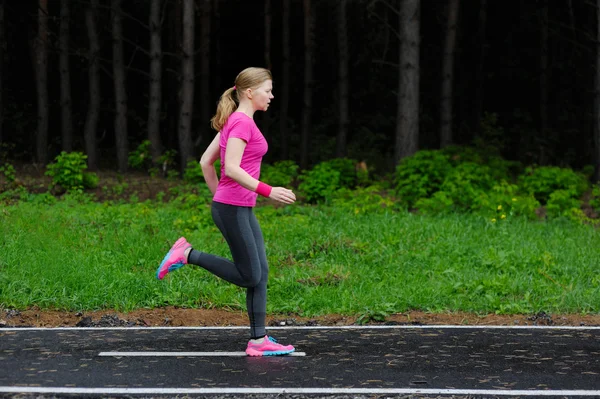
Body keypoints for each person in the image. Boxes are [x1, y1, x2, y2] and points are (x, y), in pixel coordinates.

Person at [156, 67, 297, 357]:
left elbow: (206, 162)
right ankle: (187, 255)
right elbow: (230, 167)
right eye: (267, 90)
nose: (271, 96)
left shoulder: (234, 121)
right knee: (249, 275)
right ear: (249, 92)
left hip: (236, 207)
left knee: (260, 274)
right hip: (233, 208)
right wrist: (268, 191)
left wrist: (221, 196)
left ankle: (259, 340)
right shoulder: (241, 123)